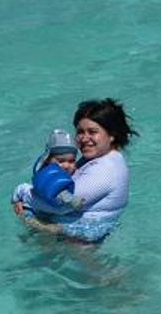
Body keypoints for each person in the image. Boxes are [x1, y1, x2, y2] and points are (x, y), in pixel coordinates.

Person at [12, 99, 136, 243]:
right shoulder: (99, 158)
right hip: (75, 236)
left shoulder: (106, 170)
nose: (84, 138)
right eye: (80, 132)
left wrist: (22, 193)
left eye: (92, 132)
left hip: (78, 244)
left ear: (112, 134)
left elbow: (61, 206)